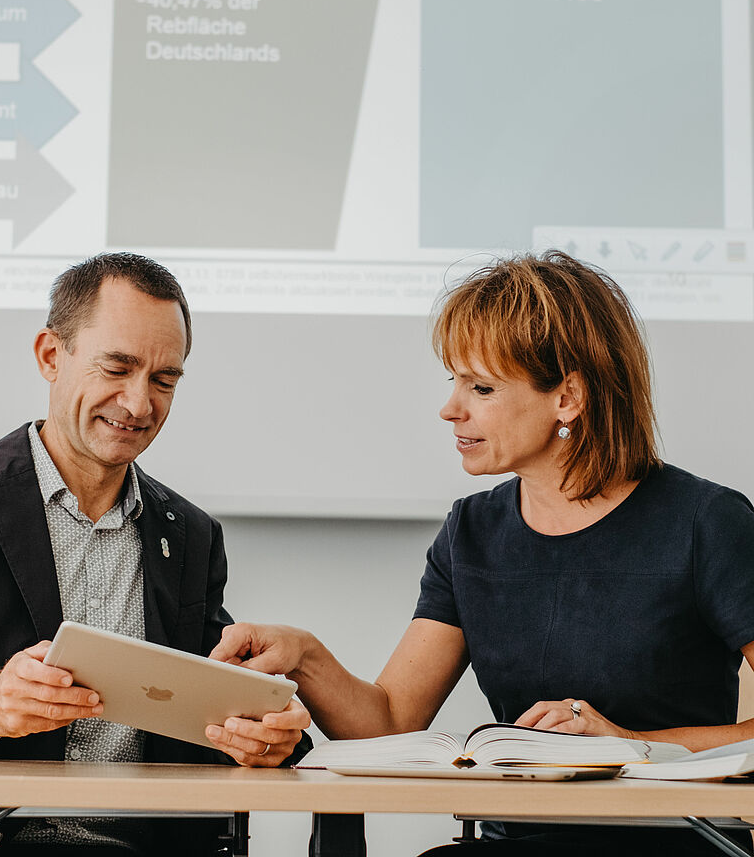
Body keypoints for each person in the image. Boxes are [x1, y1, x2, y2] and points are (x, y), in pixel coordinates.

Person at [209, 251, 754, 856]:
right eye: (454, 381)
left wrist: (628, 744)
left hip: (673, 841)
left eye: (482, 387)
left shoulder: (709, 522)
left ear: (567, 397)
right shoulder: (473, 529)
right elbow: (390, 723)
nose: (451, 408)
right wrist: (306, 657)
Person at [0, 252, 309, 857]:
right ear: (50, 356)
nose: (140, 404)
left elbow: (206, 711)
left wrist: (267, 739)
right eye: (117, 367)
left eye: (164, 380)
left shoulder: (190, 535)